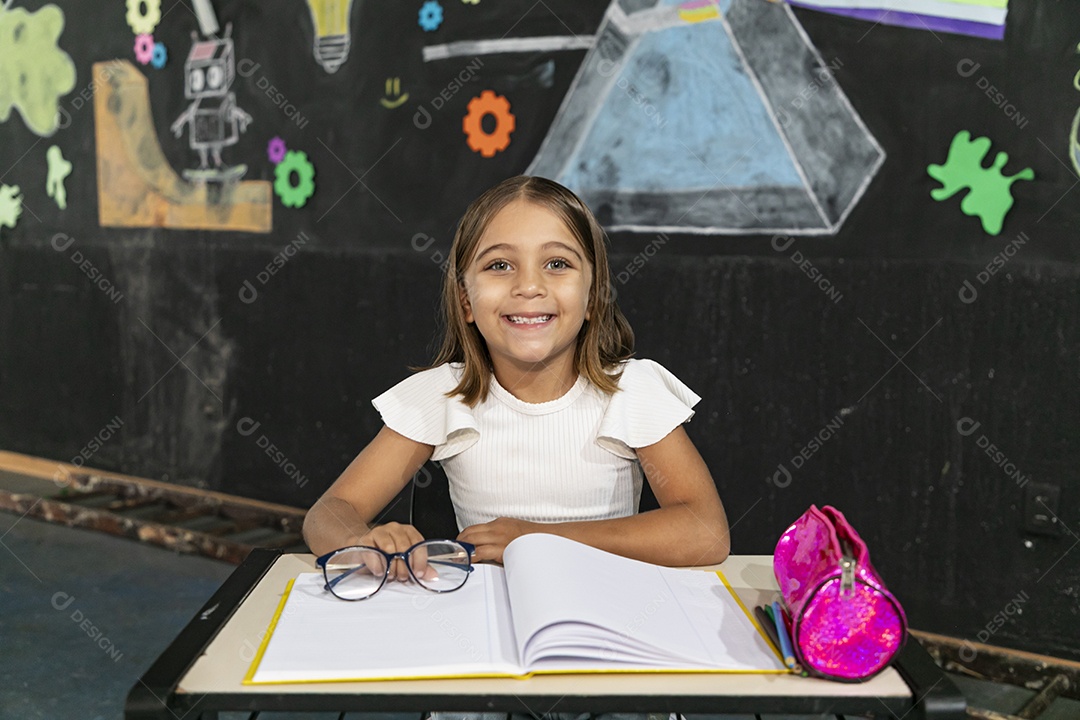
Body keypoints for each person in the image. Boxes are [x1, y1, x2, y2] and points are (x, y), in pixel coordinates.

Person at [303, 175, 729, 579]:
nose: (529, 285)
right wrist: (362, 541)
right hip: (486, 622)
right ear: (465, 300)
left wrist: (536, 539)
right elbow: (330, 512)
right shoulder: (441, 396)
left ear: (593, 299)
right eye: (500, 264)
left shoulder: (631, 390)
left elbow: (705, 532)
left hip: (607, 613)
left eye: (557, 263)